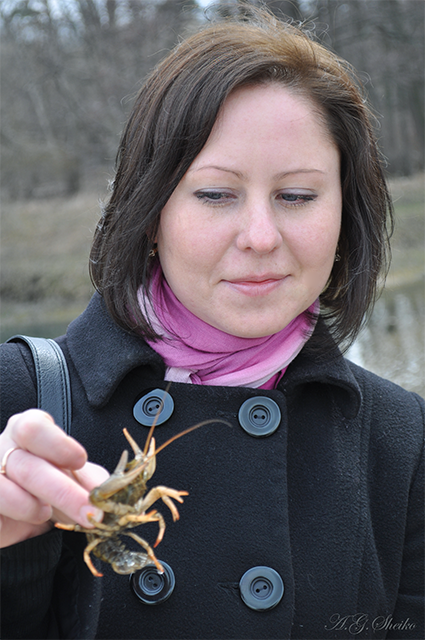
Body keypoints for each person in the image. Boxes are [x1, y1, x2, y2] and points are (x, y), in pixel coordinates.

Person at [0, 5, 424, 639]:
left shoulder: (403, 440)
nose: (259, 237)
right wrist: (16, 553)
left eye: (298, 196)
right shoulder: (20, 404)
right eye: (215, 194)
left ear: (346, 215)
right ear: (150, 212)